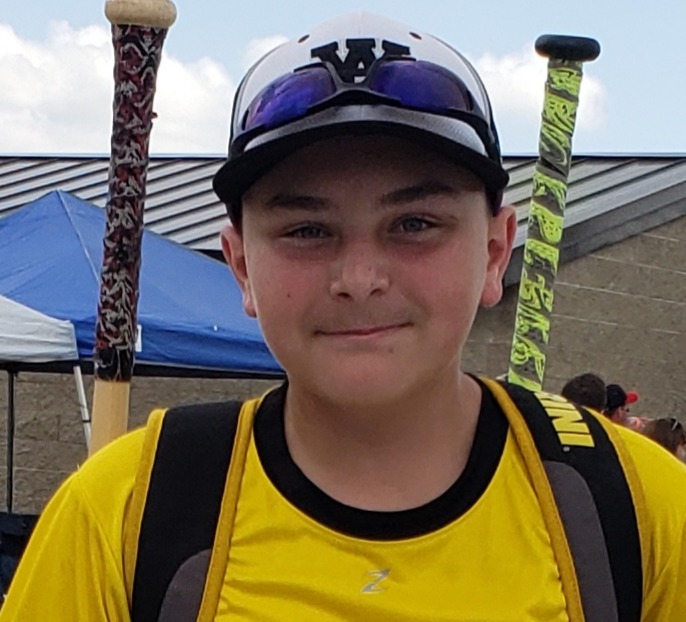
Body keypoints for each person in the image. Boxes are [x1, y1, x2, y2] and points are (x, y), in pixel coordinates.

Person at [3, 12, 686, 621]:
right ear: (241, 266)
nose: (359, 280)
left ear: (494, 251)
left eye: (414, 224)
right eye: (307, 230)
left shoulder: (638, 510)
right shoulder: (123, 514)